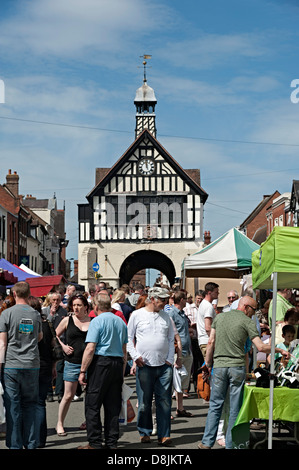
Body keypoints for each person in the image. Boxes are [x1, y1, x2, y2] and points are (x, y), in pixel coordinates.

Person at [197, 296, 290, 450]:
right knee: (234, 408)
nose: (253, 315)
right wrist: (280, 349)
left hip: (219, 367)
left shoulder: (219, 318)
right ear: (246, 307)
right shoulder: (247, 322)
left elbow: (211, 341)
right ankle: (231, 444)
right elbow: (260, 347)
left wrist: (207, 364)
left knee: (215, 405)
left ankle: (207, 443)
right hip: (236, 367)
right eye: (253, 310)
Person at [78, 293, 128, 450]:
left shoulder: (96, 321)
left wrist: (82, 371)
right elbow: (124, 350)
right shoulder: (120, 322)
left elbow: (90, 348)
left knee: (92, 404)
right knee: (112, 405)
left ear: (96, 306)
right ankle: (111, 442)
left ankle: (94, 443)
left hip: (101, 363)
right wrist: (122, 371)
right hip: (117, 362)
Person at [127, 287, 174, 447]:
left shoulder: (166, 316)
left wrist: (169, 360)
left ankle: (164, 435)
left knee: (164, 402)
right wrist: (135, 356)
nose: (165, 303)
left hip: (163, 366)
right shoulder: (137, 315)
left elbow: (170, 339)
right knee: (144, 402)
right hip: (144, 365)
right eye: (162, 300)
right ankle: (144, 432)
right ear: (152, 299)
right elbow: (128, 338)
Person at [0, 281, 43, 449]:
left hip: (12, 364)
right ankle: (31, 443)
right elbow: (39, 337)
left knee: (13, 406)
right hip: (32, 363)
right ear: (28, 294)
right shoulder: (35, 314)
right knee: (31, 405)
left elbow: (2, 343)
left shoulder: (6, 314)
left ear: (14, 294)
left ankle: (15, 445)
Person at [55, 293, 91, 436]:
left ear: (86, 307)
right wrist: (63, 346)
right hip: (72, 363)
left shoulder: (93, 321)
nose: (76, 308)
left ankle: (88, 421)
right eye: (74, 305)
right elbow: (55, 335)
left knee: (90, 395)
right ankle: (60, 423)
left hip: (89, 364)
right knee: (68, 395)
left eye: (79, 305)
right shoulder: (67, 320)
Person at [28, 295, 55, 448]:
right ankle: (40, 440)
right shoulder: (48, 324)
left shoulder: (28, 324)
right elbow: (53, 347)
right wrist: (53, 366)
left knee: (29, 403)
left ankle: (31, 437)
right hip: (45, 365)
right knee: (40, 403)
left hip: (31, 365)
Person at [168, 290, 193, 417]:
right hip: (177, 351)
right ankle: (167, 411)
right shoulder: (171, 313)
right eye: (186, 299)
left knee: (182, 382)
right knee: (172, 381)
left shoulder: (182, 314)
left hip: (186, 350)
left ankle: (180, 408)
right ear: (182, 300)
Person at [42, 292, 68, 402]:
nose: (56, 302)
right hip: (48, 342)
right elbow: (46, 325)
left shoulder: (63, 311)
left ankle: (59, 392)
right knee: (48, 368)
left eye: (58, 300)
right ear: (50, 300)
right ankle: (49, 393)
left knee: (60, 367)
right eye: (54, 300)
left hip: (60, 342)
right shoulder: (44, 311)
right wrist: (51, 314)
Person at [184, 290, 205, 393]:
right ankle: (186, 388)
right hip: (191, 339)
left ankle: (198, 387)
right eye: (198, 298)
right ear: (195, 298)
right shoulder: (188, 308)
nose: (199, 301)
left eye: (201, 299)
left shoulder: (204, 308)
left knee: (198, 365)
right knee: (189, 364)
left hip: (199, 339)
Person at [196, 282, 219, 361]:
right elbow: (208, 327)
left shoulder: (204, 304)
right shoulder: (208, 306)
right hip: (207, 342)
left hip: (205, 341)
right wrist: (214, 341)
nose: (218, 293)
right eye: (216, 292)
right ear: (209, 292)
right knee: (209, 368)